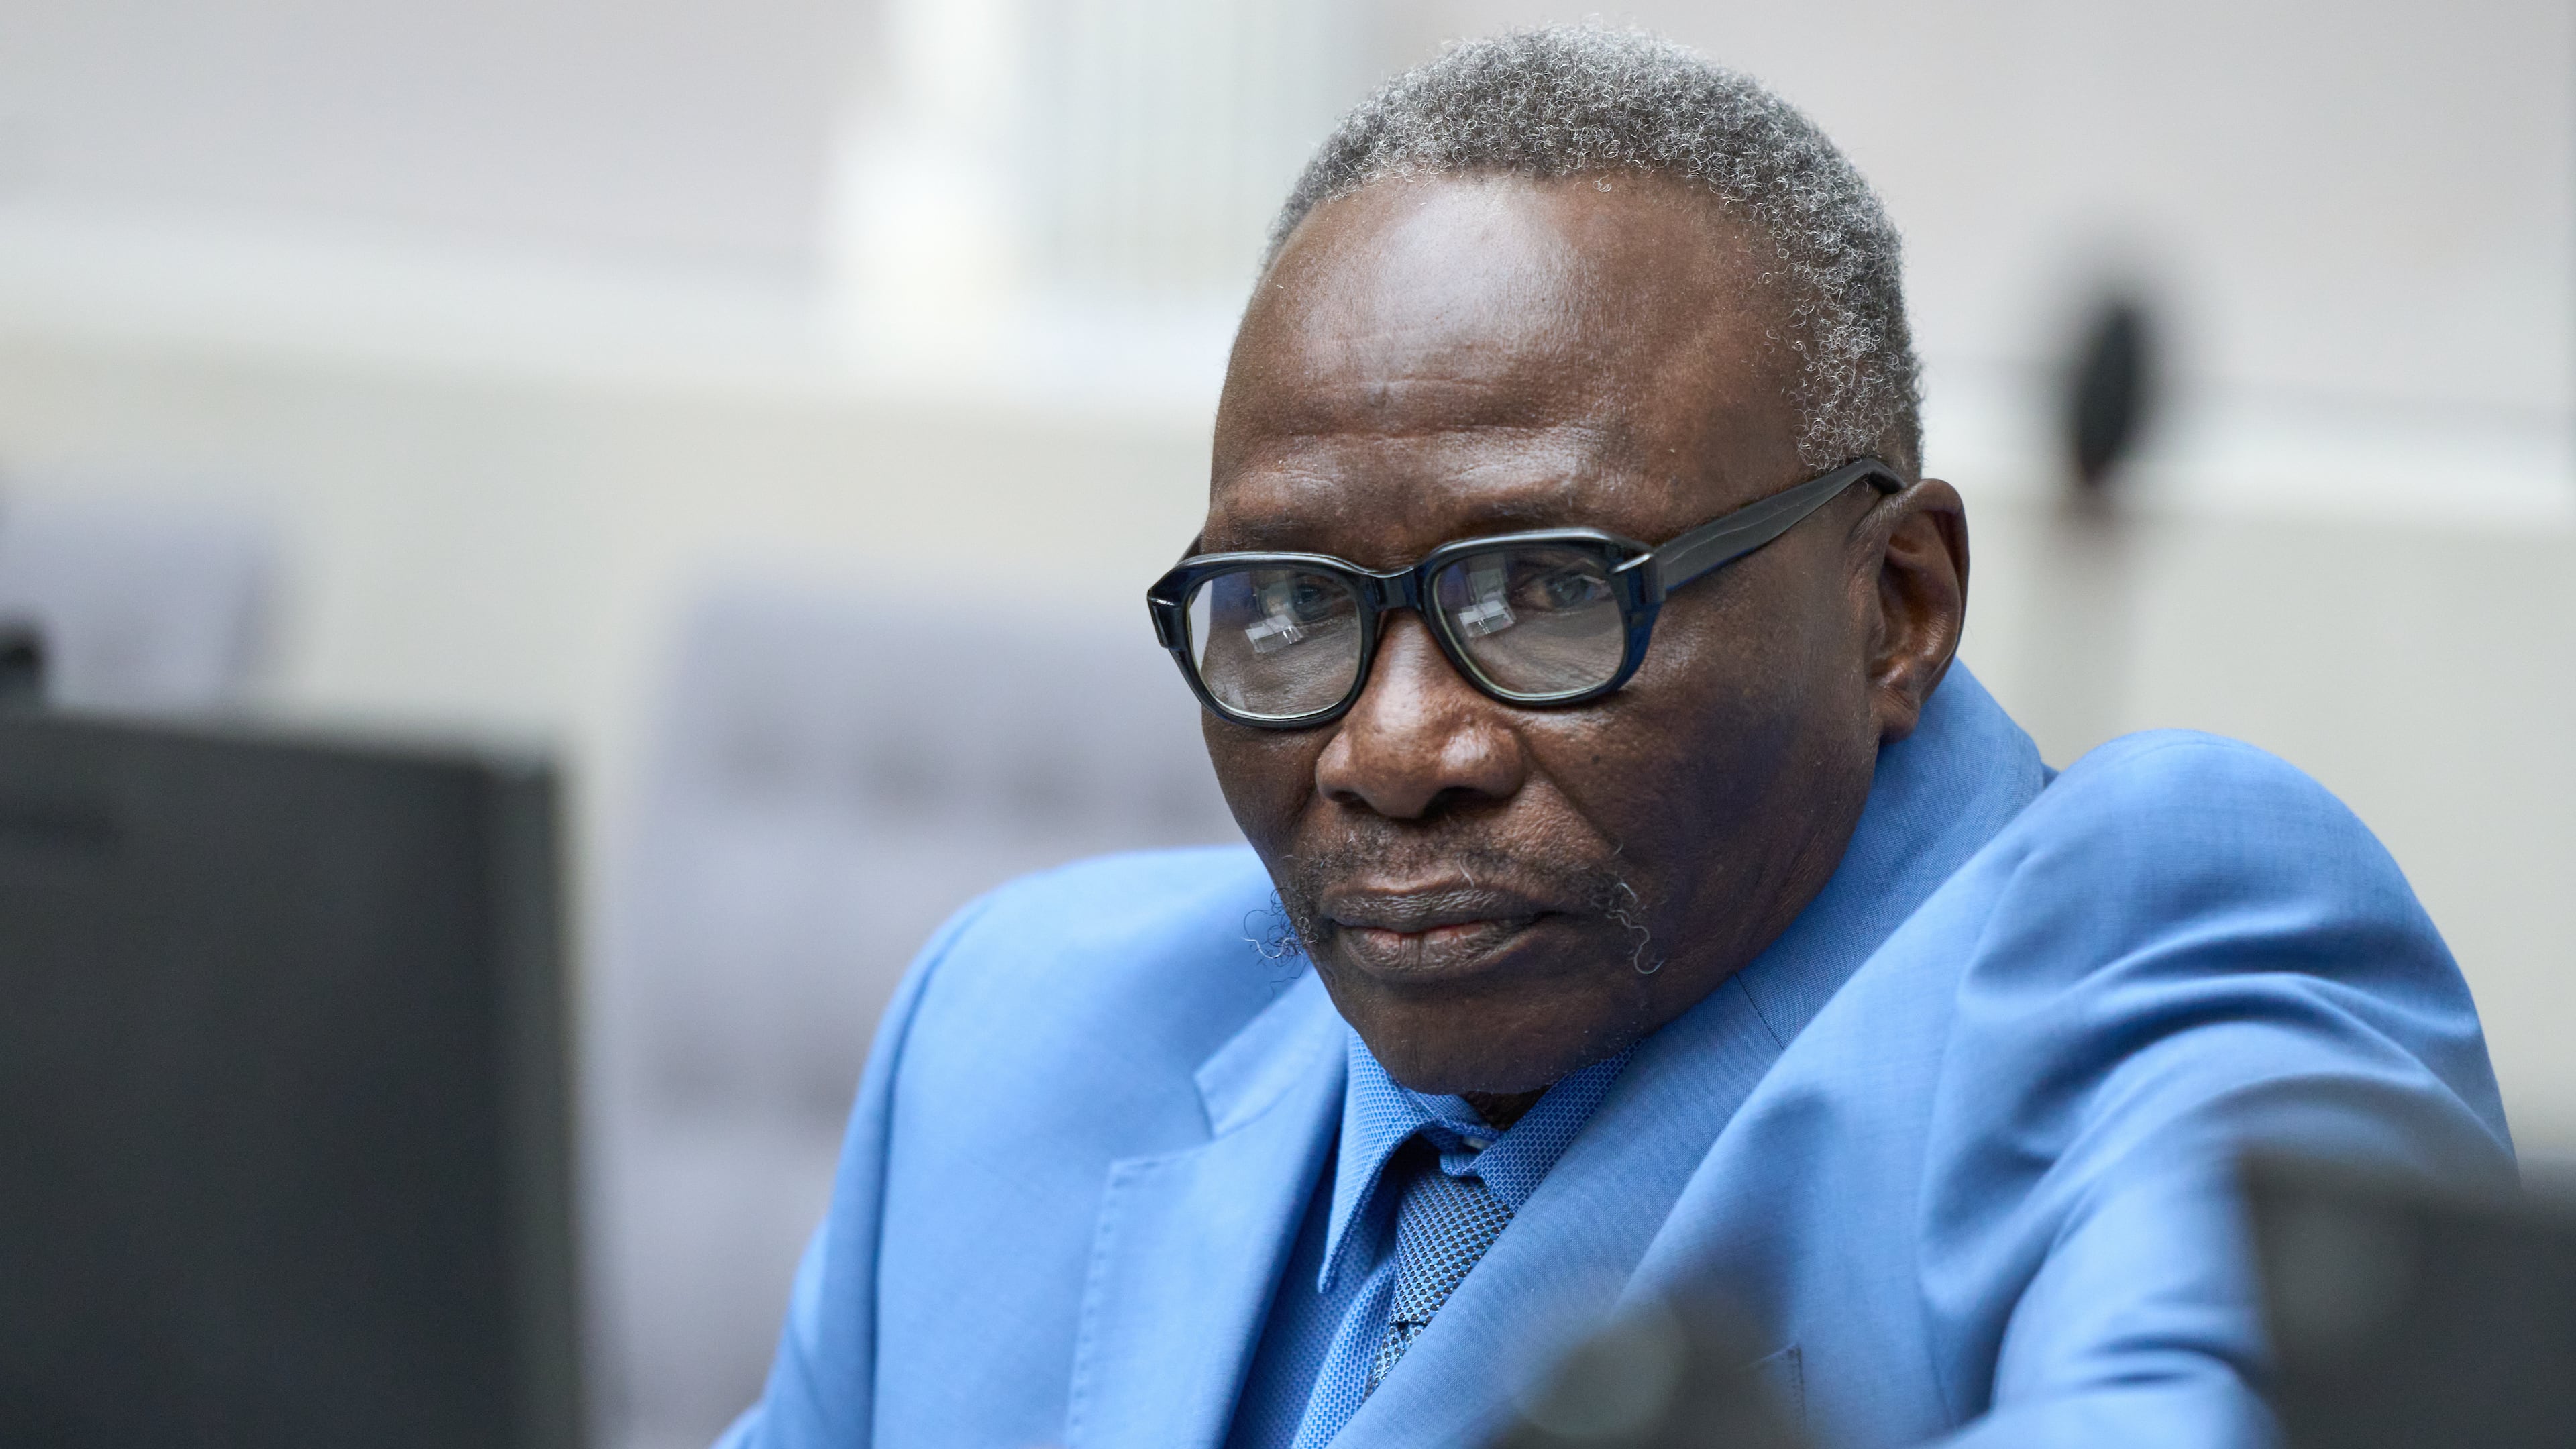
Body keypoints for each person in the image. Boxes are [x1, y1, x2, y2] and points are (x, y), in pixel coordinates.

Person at [717, 27, 2510, 1449]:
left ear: (1897, 603)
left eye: (1546, 601)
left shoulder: (2143, 953)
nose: (1395, 748)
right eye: (1287, 612)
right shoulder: (1017, 1040)